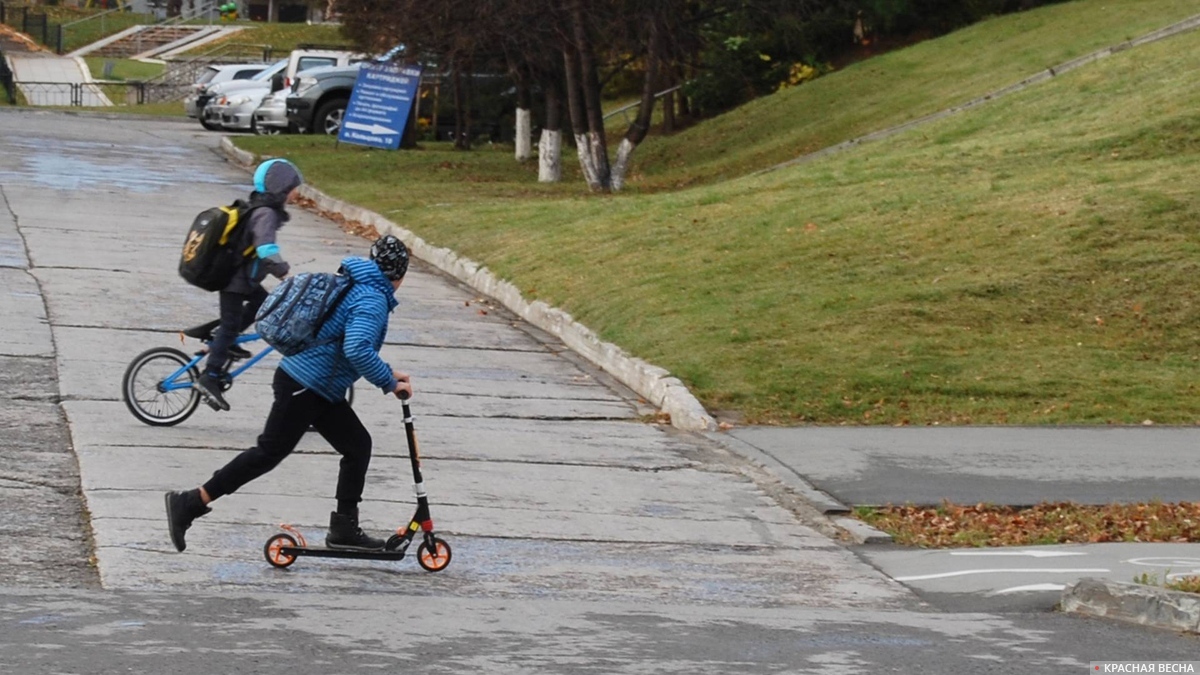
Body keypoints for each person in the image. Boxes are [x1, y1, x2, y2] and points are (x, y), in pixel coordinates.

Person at [166, 235, 415, 553]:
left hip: (318, 386)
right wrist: (388, 383)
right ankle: (190, 502)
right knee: (267, 454)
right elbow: (356, 348)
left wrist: (388, 372)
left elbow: (341, 342)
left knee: (357, 445)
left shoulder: (357, 283)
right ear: (399, 275)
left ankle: (344, 528)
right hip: (305, 385)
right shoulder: (373, 299)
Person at [194, 158, 302, 412]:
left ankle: (225, 341)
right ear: (282, 186)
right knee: (231, 324)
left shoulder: (263, 209)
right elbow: (265, 248)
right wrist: (285, 274)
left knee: (263, 305)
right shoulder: (265, 214)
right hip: (234, 281)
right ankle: (209, 375)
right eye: (295, 186)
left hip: (244, 279)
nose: (298, 192)